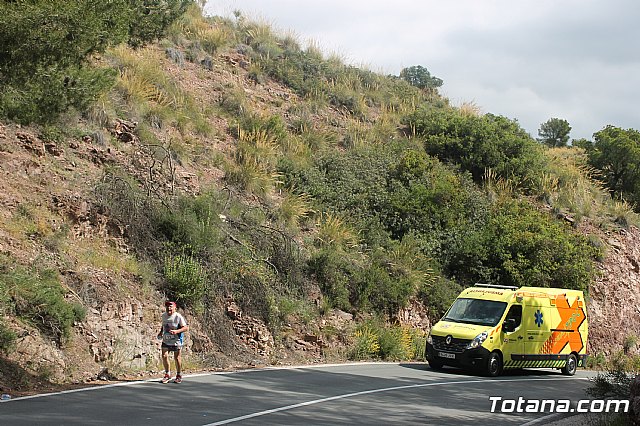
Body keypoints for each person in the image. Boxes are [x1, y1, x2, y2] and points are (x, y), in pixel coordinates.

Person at [157, 301, 188, 383]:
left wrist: (176, 331)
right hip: (166, 339)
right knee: (164, 355)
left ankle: (179, 375)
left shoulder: (178, 316)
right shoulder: (164, 316)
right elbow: (163, 325)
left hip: (176, 340)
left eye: (171, 306)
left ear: (175, 308)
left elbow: (185, 328)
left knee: (177, 358)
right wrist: (160, 332)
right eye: (167, 306)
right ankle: (167, 374)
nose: (169, 308)